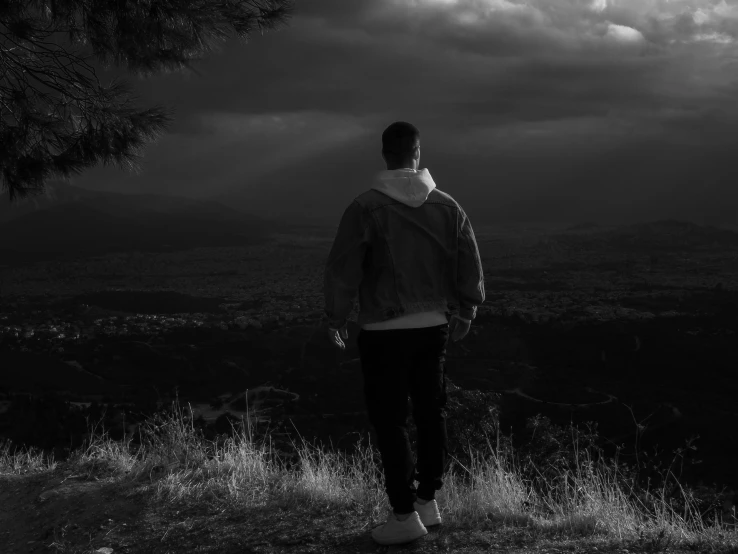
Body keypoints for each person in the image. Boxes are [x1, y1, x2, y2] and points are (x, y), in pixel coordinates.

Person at [322, 121, 486, 546]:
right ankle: (428, 501)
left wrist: (336, 317)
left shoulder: (364, 207)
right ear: (417, 152)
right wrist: (466, 307)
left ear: (384, 155)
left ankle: (402, 514)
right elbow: (470, 261)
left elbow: (343, 270)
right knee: (432, 413)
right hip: (434, 327)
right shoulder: (448, 206)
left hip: (381, 329)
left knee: (390, 421)